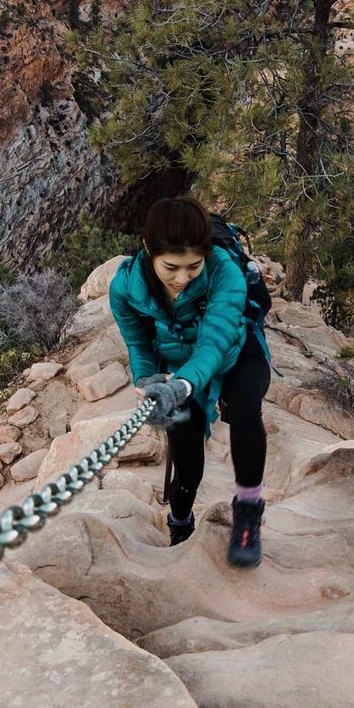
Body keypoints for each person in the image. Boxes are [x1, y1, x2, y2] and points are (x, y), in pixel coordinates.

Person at [108, 195, 271, 567]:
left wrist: (180, 386)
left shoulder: (225, 272)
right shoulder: (125, 288)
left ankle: (247, 513)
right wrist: (149, 382)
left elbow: (214, 342)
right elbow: (138, 344)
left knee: (246, 408)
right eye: (171, 267)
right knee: (188, 460)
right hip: (175, 367)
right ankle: (180, 518)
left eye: (193, 267)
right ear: (148, 249)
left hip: (234, 351)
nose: (182, 279)